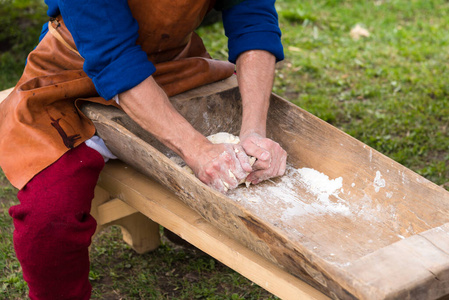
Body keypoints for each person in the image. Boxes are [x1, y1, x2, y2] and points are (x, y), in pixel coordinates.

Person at [0, 0, 287, 298]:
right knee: (49, 217)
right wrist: (197, 150)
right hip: (71, 75)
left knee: (226, 160)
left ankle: (188, 232)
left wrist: (253, 130)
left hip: (175, 68)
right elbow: (114, 60)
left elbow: (252, 19)